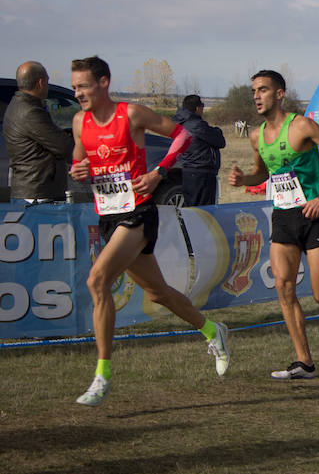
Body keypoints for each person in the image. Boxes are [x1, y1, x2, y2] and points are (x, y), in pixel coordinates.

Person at [68, 56, 229, 406]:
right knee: (158, 293)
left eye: (83, 85)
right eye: (75, 86)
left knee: (97, 280)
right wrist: (80, 169)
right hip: (109, 215)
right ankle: (212, 330)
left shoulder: (131, 114)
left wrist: (159, 172)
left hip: (138, 212)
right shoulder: (80, 121)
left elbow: (183, 134)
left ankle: (102, 375)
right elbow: (79, 159)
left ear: (104, 82)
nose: (77, 92)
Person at [229, 70, 319, 380]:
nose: (256, 96)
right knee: (284, 287)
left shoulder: (301, 125)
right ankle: (305, 362)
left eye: (263, 89)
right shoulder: (257, 135)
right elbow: (262, 174)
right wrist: (242, 180)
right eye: (254, 91)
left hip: (314, 216)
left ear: (279, 94)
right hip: (283, 217)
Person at [3, 61, 75, 202]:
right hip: (38, 192)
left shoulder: (17, 106)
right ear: (41, 82)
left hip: (30, 188)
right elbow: (63, 146)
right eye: (47, 81)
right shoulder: (31, 112)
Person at [172, 94, 225, 206]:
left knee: (191, 208)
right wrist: (217, 130)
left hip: (187, 170)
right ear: (197, 108)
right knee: (203, 211)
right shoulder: (196, 125)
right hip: (201, 173)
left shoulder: (181, 123)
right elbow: (220, 141)